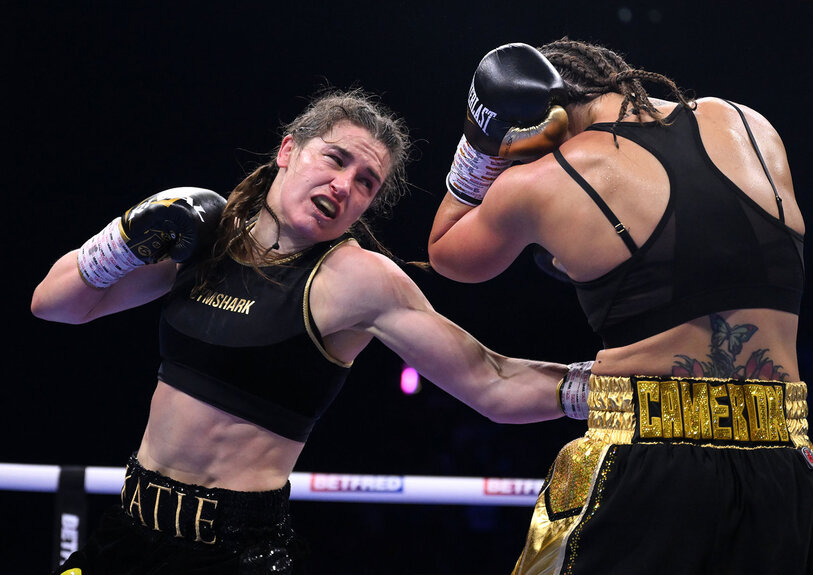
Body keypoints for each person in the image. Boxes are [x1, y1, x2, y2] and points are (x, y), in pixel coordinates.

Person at [31, 88, 572, 575]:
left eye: (366, 183)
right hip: (126, 529)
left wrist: (615, 385)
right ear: (288, 150)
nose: (344, 186)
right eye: (335, 159)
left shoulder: (357, 280)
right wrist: (124, 239)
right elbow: (56, 305)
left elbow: (492, 381)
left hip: (234, 552)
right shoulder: (205, 238)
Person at [428, 39, 813, 574]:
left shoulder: (545, 179)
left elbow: (447, 253)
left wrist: (482, 142)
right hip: (784, 463)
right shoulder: (748, 125)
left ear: (543, 120)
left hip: (645, 455)